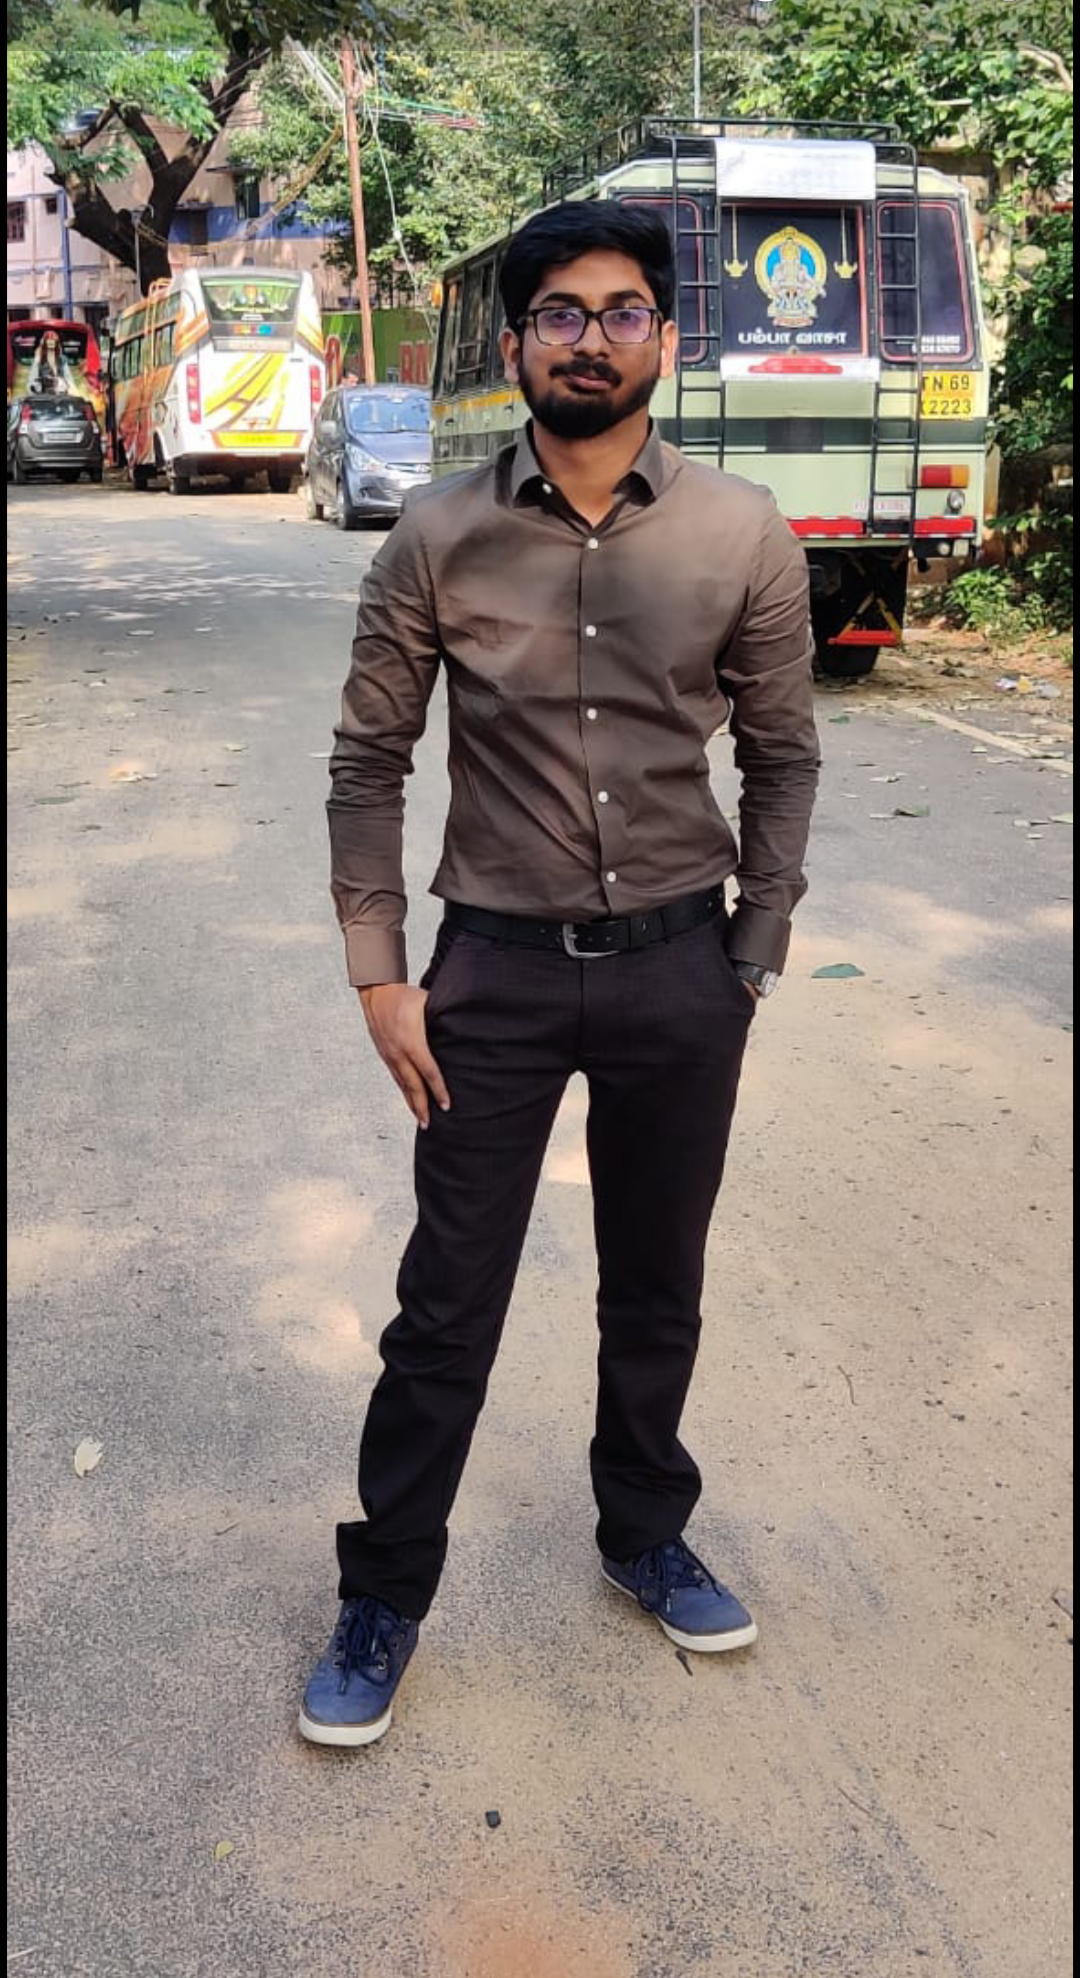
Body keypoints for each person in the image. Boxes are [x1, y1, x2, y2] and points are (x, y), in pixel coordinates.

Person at [301, 199, 820, 1747]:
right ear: (519, 341)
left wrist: (753, 948)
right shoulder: (436, 535)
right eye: (561, 314)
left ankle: (644, 1531)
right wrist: (381, 972)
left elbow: (784, 754)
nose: (591, 339)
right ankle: (385, 1591)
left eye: (621, 310)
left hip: (680, 970)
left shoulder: (744, 533)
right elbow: (367, 761)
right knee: (445, 1305)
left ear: (666, 335)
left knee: (658, 1283)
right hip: (496, 979)